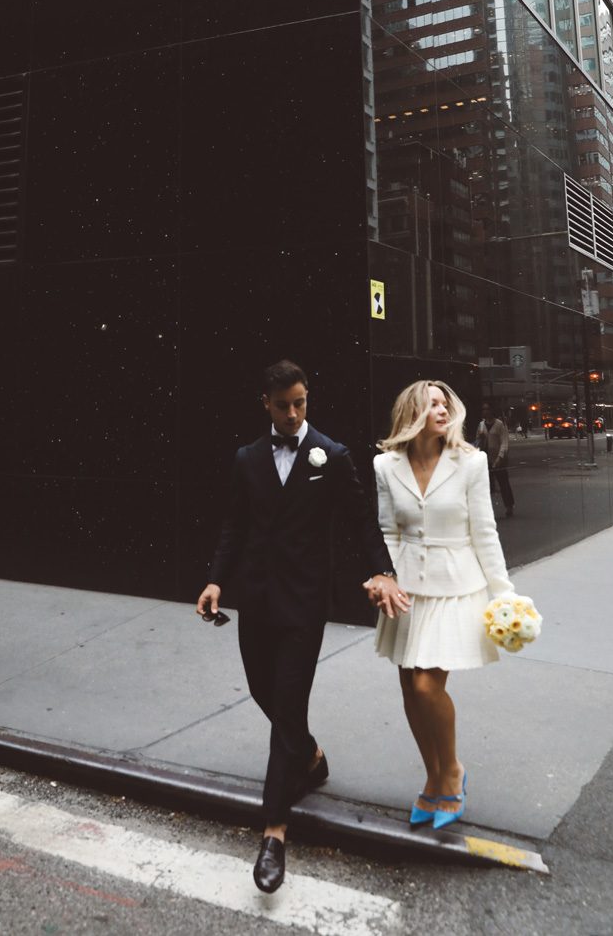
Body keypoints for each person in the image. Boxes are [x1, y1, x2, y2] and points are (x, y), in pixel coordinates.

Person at [197, 360, 407, 893]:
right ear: (264, 403)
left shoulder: (330, 456)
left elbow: (362, 519)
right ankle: (309, 755)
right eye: (283, 405)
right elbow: (233, 524)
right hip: (255, 600)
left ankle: (274, 833)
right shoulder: (246, 459)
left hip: (306, 604)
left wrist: (382, 570)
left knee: (286, 703)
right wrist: (216, 581)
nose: (293, 414)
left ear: (307, 398)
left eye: (301, 403)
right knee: (262, 690)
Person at [366, 380, 514, 830]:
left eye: (445, 402)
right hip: (407, 590)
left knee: (429, 687)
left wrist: (504, 593)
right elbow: (387, 530)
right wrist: (384, 578)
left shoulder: (471, 462)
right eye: (432, 404)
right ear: (412, 411)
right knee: (410, 689)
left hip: (457, 587)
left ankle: (452, 770)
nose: (442, 409)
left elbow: (484, 532)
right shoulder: (385, 466)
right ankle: (432, 778)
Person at [476, 402, 515, 517]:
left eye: (487, 409)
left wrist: (500, 457)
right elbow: (477, 441)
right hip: (485, 459)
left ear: (492, 411)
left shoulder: (499, 425)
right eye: (483, 409)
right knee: (486, 485)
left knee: (503, 483)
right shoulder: (481, 425)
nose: (485, 412)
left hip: (498, 459)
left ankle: (509, 506)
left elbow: (504, 442)